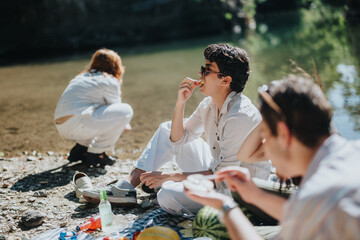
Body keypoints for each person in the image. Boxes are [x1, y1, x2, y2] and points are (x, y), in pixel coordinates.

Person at [186, 75, 360, 239]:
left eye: (266, 137)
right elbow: (304, 215)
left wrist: (225, 205)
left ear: (284, 133)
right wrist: (255, 195)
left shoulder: (315, 197)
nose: (265, 151)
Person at [124, 43, 271, 215]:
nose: (200, 74)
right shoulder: (209, 104)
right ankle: (129, 186)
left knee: (167, 195)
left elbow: (223, 178)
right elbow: (178, 138)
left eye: (206, 70)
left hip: (237, 193)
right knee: (166, 128)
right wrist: (181, 102)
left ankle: (166, 187)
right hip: (217, 174)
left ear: (225, 80)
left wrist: (172, 176)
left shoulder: (239, 116)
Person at [54, 48, 133, 167]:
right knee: (126, 111)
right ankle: (97, 153)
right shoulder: (109, 80)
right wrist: (124, 124)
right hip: (78, 126)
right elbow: (117, 109)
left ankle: (81, 148)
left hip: (61, 126)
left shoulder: (80, 77)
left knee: (92, 114)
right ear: (116, 66)